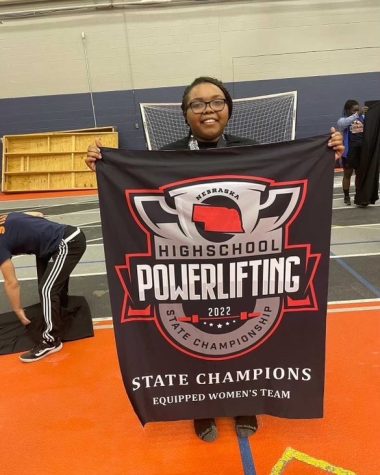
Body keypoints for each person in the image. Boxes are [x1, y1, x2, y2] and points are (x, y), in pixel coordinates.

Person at [85, 76, 344, 442]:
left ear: (229, 109)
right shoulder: (166, 156)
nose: (208, 109)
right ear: (185, 113)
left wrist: (326, 150)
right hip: (189, 269)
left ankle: (244, 402)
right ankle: (200, 408)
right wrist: (105, 162)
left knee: (247, 336)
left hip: (242, 268)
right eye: (198, 103)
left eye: (216, 101)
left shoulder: (252, 150)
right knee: (198, 335)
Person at [0, 211, 86, 362]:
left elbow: (11, 282)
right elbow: (37, 214)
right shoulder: (4, 217)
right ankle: (60, 313)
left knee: (47, 289)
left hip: (68, 243)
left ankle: (51, 341)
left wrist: (18, 310)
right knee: (48, 284)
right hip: (50, 245)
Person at [337, 99, 368, 205]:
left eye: (357, 109)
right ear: (348, 110)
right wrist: (357, 114)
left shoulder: (363, 118)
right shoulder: (343, 120)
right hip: (349, 152)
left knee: (360, 175)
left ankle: (359, 197)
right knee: (347, 175)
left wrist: (369, 113)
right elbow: (342, 125)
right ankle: (346, 196)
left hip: (361, 151)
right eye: (354, 110)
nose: (356, 111)